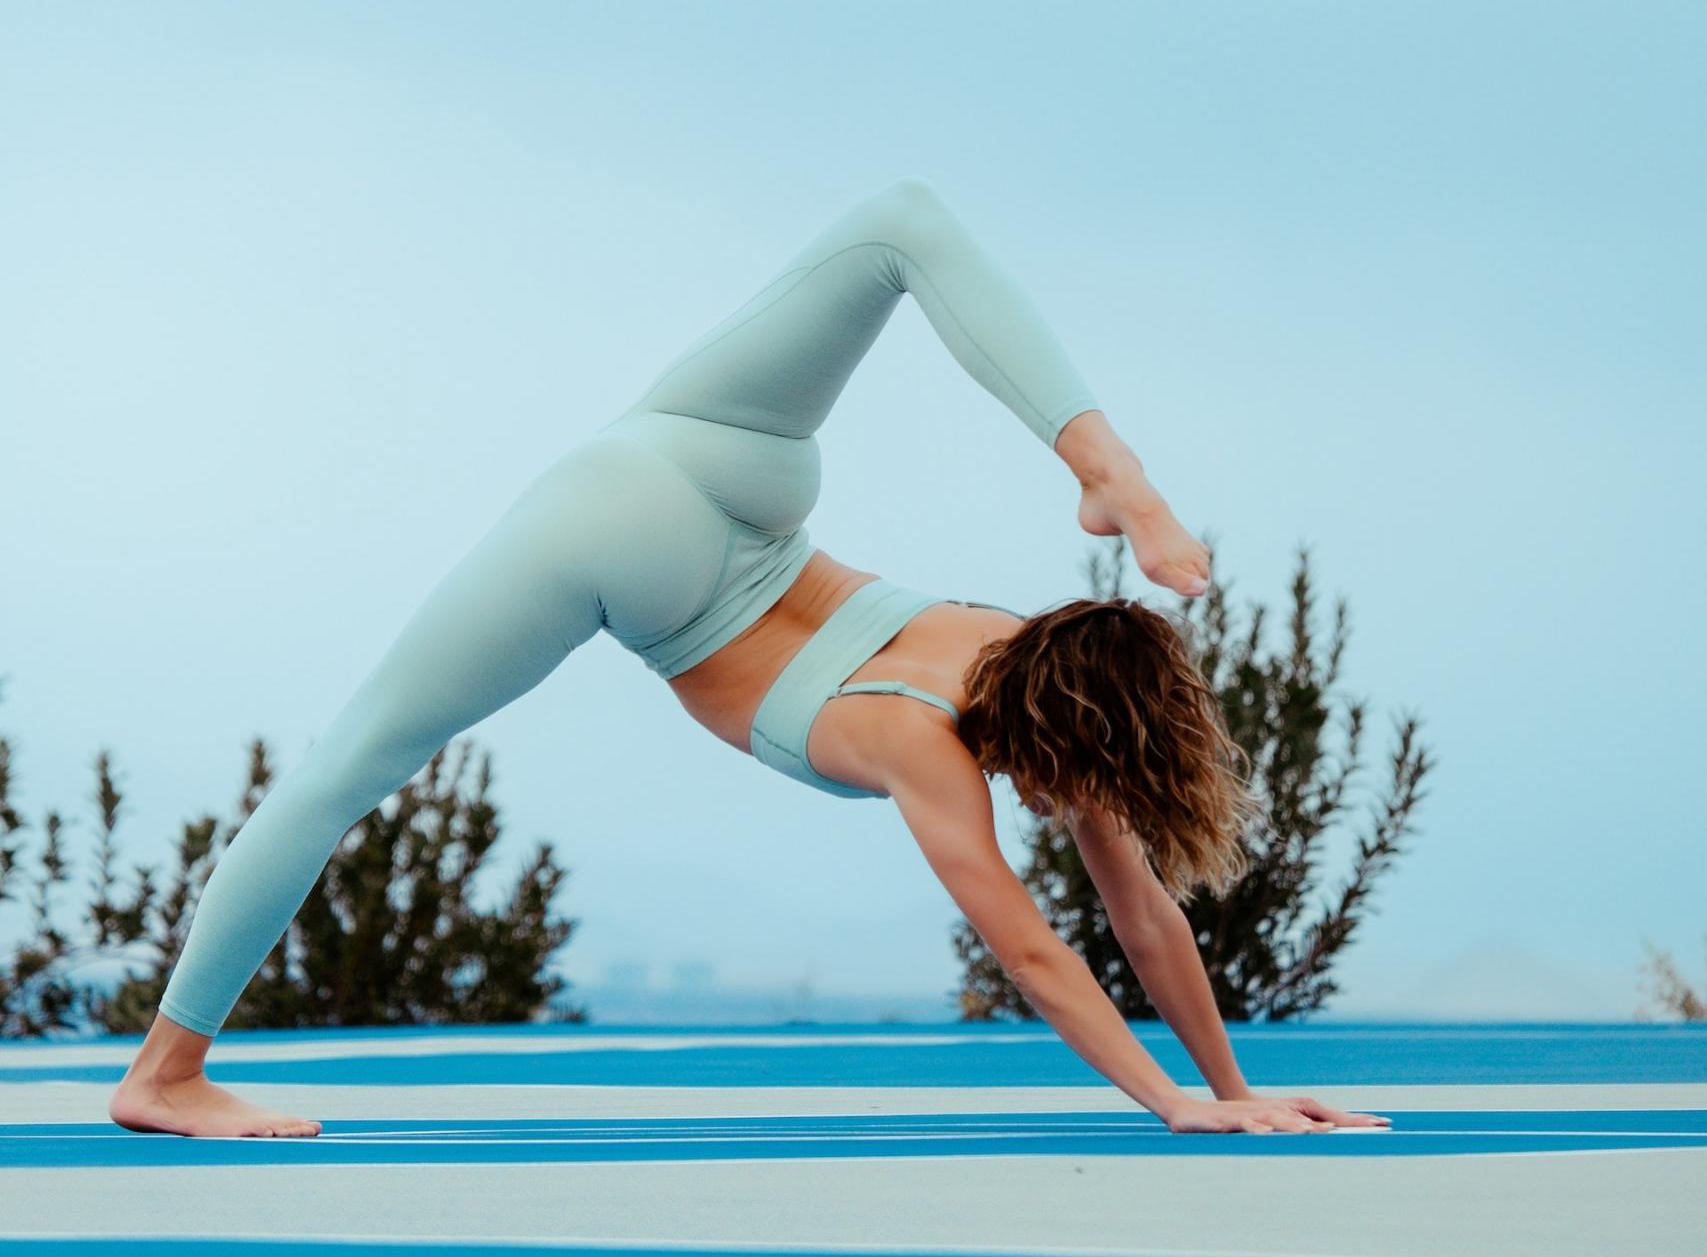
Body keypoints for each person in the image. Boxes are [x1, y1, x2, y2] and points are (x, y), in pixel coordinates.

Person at [110, 179, 1387, 1141]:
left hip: (721, 456)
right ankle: (161, 1078)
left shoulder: (1022, 643)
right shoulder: (918, 742)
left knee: (901, 222)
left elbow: (1136, 910)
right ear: (1072, 746)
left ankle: (1110, 472)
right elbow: (1044, 952)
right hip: (628, 550)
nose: (1080, 812)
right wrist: (1179, 1101)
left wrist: (1235, 1087)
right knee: (347, 767)